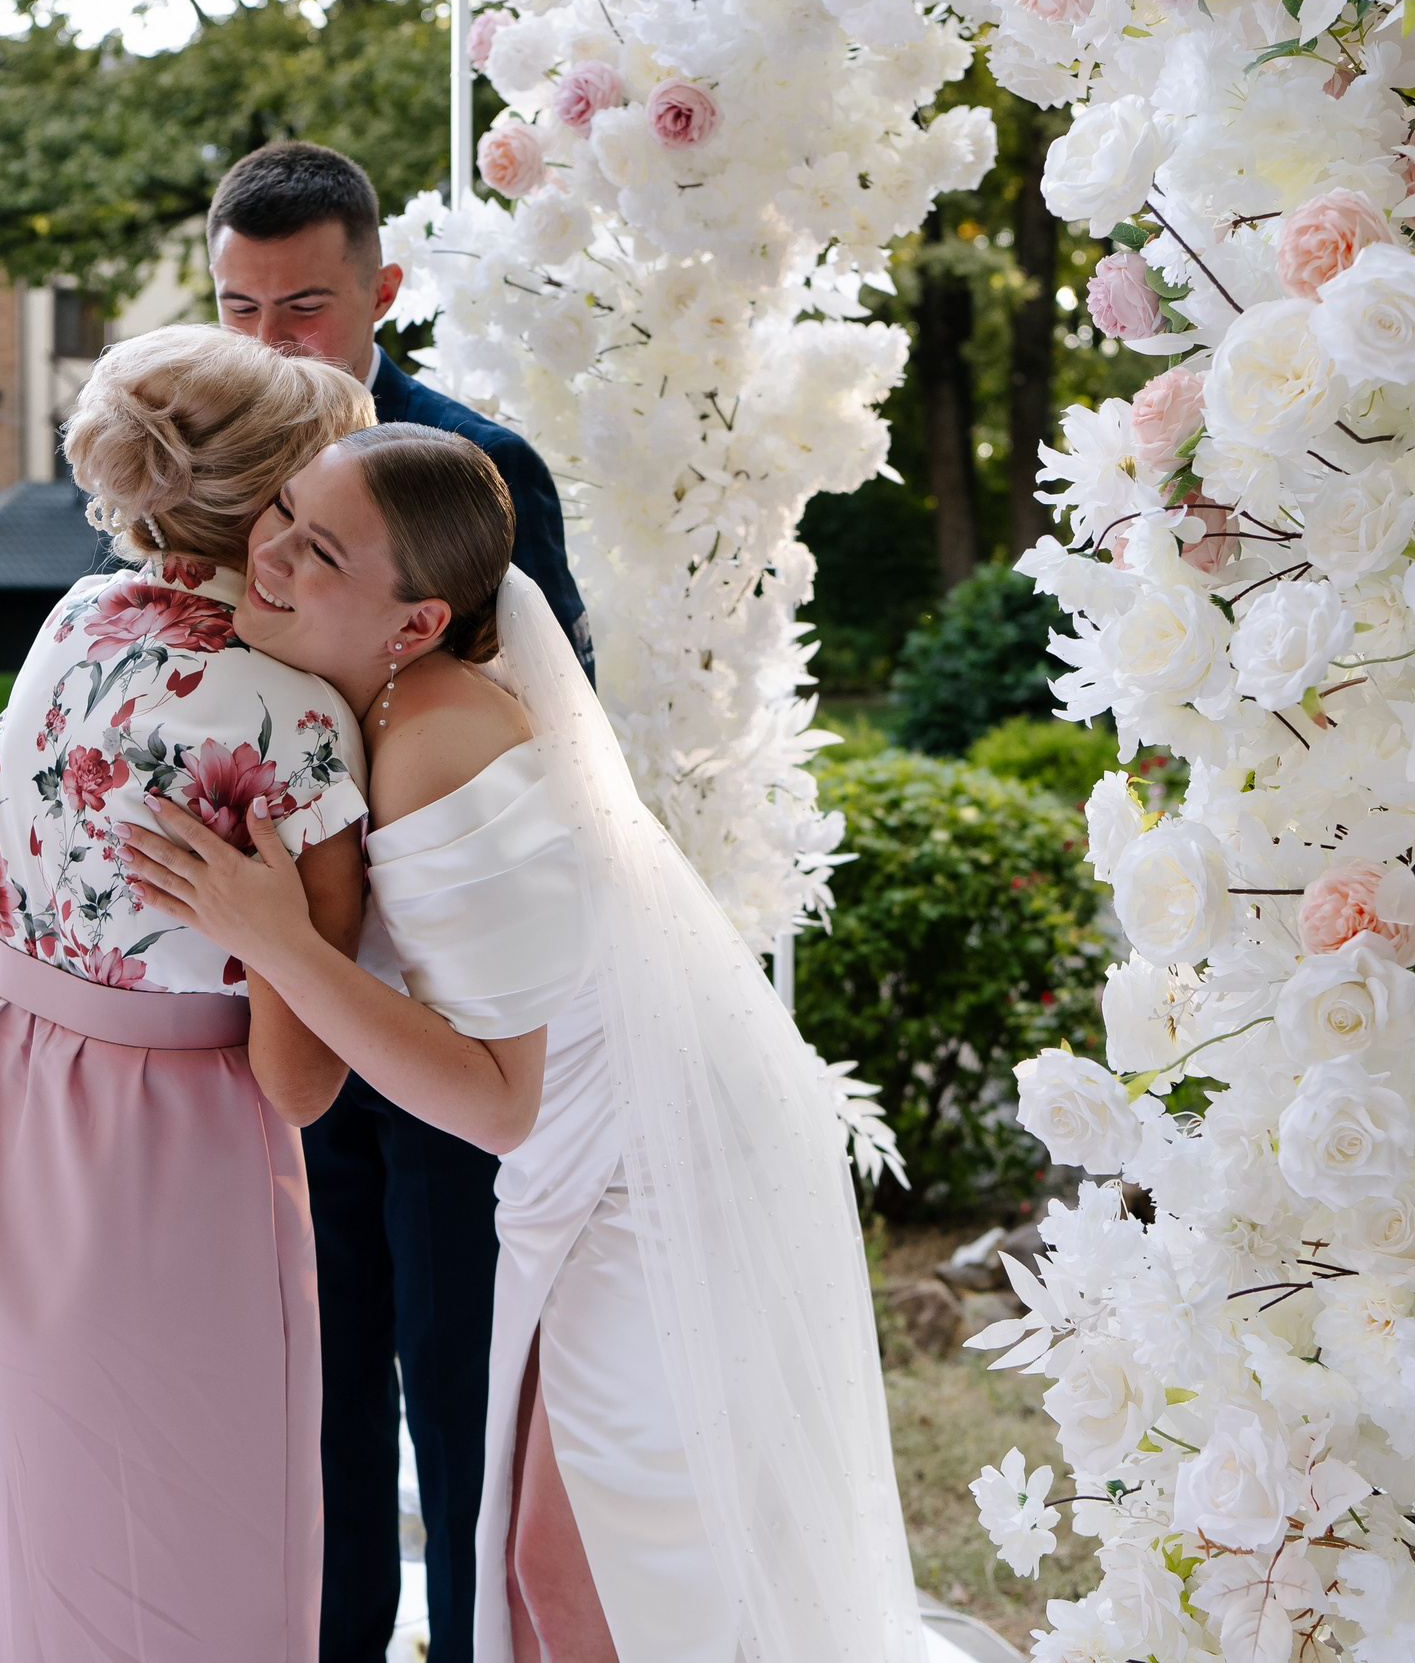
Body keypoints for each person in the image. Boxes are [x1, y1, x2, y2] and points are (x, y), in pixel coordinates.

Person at [121, 425, 925, 1662]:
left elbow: (498, 1101)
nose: (267, 553)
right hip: (582, 1169)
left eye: (319, 550)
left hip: (662, 1171)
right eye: (280, 511)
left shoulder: (432, 745)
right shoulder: (376, 699)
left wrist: (270, 936)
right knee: (539, 1562)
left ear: (415, 623)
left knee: (574, 1570)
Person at [0, 325, 374, 1663]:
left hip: (14, 1086)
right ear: (282, 507)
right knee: (194, 1536)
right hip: (176, 1140)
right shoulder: (292, 717)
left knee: (29, 1497)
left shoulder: (75, 617)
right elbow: (300, 1076)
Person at [207, 140, 592, 1663]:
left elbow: (543, 723)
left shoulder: (478, 466)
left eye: (302, 305)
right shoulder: (217, 465)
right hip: (279, 1000)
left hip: (442, 993)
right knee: (316, 1383)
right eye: (238, 308)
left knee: (454, 1369)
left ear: (382, 290)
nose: (269, 342)